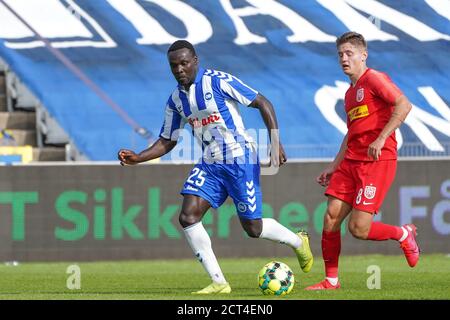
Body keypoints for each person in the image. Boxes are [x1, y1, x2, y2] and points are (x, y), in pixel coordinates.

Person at [118, 40, 313, 294]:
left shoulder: (218, 81)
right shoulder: (176, 99)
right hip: (210, 163)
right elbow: (168, 139)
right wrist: (138, 157)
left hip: (240, 159)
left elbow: (263, 102)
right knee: (188, 216)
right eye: (173, 65)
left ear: (195, 61)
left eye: (184, 63)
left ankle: (299, 242)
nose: (179, 69)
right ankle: (219, 283)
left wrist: (275, 142)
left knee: (253, 228)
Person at [306, 32, 419, 290]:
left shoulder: (375, 79)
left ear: (363, 55)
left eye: (349, 53)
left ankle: (403, 234)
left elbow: (404, 104)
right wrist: (333, 167)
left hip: (376, 161)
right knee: (331, 218)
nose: (344, 59)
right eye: (340, 55)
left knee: (359, 228)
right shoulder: (350, 93)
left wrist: (381, 138)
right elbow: (352, 133)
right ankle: (331, 281)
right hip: (351, 162)